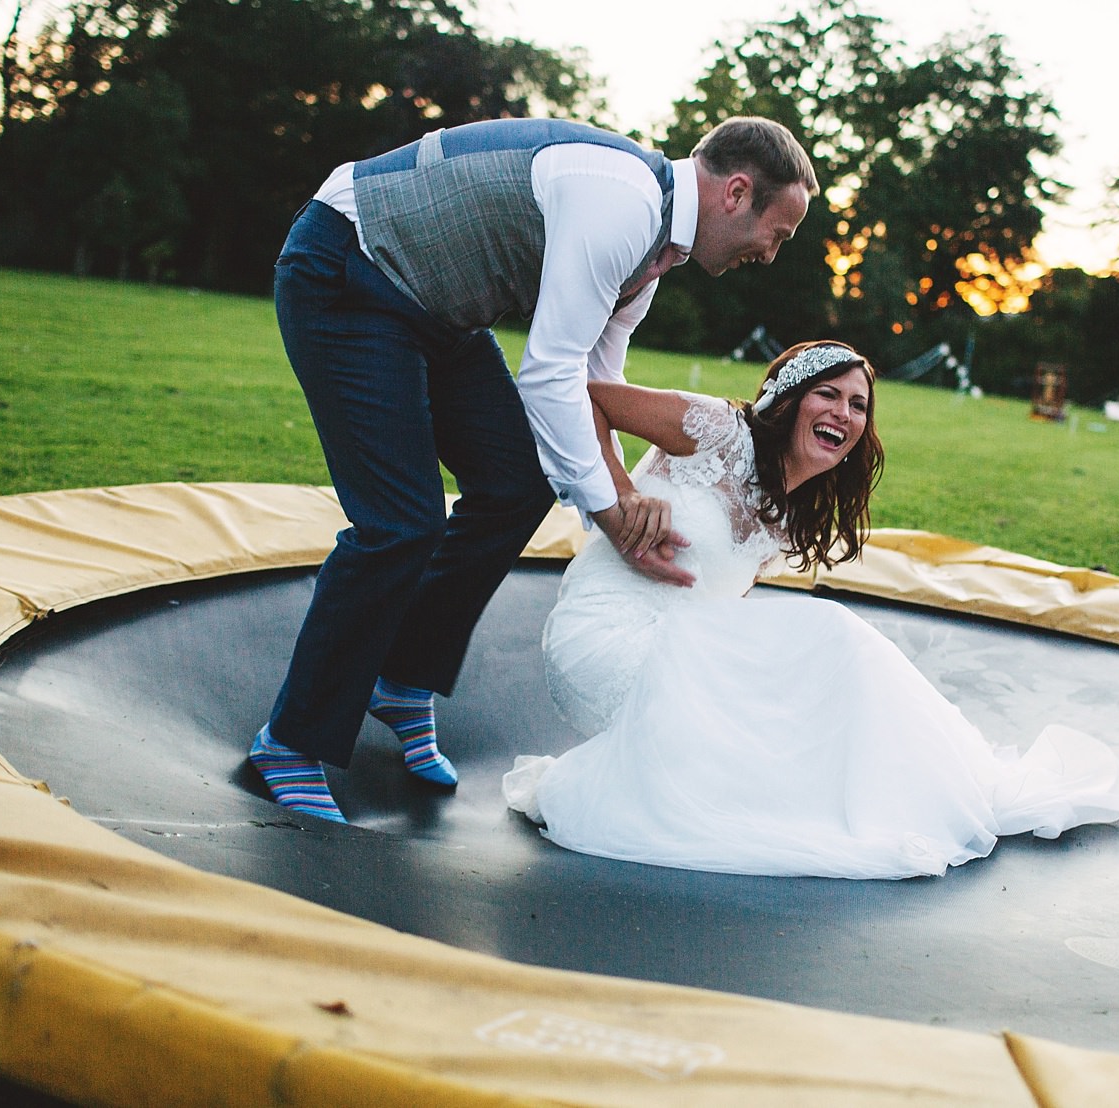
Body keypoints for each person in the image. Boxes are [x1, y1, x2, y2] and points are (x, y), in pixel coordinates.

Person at [251, 116, 818, 823]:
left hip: (438, 309)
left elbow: (592, 389)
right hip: (351, 268)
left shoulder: (653, 257)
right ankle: (291, 741)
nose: (771, 253)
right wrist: (614, 514)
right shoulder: (624, 202)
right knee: (401, 521)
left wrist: (619, 496)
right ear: (737, 193)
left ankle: (400, 680)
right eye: (779, 232)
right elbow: (548, 374)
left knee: (518, 483)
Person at [503, 342, 1119, 879]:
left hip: (676, 665)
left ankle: (924, 783)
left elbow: (721, 611)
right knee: (827, 631)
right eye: (828, 394)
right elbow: (586, 396)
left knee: (809, 681)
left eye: (858, 405)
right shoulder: (719, 431)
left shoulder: (783, 517)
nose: (844, 412)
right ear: (789, 400)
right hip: (604, 641)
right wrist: (617, 499)